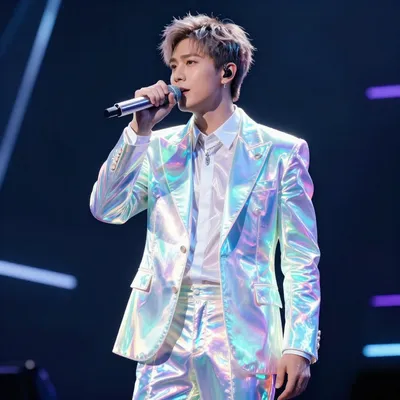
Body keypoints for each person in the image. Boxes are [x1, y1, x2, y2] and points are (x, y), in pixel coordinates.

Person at [90, 13, 321, 400]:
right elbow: (107, 208)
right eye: (173, 66)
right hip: (165, 325)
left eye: (190, 62)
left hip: (240, 329)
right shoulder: (158, 148)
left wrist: (300, 344)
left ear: (227, 72)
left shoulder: (281, 152)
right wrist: (138, 131)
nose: (177, 76)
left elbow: (301, 258)